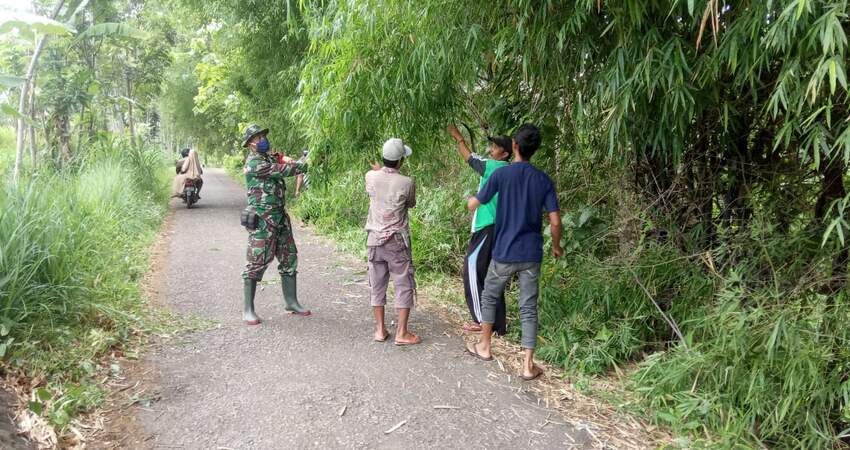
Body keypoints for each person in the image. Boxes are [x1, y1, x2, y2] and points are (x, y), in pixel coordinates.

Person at [465, 124, 563, 381]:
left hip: (504, 251)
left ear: (515, 147)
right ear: (534, 150)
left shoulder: (501, 175)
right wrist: (555, 246)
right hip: (531, 255)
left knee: (489, 296)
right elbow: (554, 221)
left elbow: (474, 203)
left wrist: (471, 201)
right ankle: (528, 365)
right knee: (528, 307)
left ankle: (485, 347)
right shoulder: (543, 180)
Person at [240, 124, 311, 325]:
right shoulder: (255, 163)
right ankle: (248, 309)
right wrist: (306, 163)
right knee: (256, 262)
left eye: (263, 135)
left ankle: (291, 302)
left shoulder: (267, 158)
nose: (263, 139)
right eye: (258, 137)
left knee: (289, 258)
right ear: (250, 145)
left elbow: (279, 158)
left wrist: (283, 156)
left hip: (280, 217)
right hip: (263, 219)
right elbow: (285, 169)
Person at [447, 124, 512, 335]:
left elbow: (470, 158)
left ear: (505, 153)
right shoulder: (511, 171)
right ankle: (498, 325)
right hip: (501, 229)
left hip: (487, 227)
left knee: (472, 270)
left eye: (494, 147)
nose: (491, 150)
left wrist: (458, 137)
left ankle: (480, 320)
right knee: (492, 275)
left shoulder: (495, 167)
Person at [365, 138, 420, 345]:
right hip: (397, 242)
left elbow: (376, 186)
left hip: (374, 241)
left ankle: (380, 330)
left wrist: (380, 172)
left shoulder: (370, 176)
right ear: (400, 161)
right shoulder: (407, 182)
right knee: (403, 283)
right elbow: (411, 203)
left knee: (377, 284)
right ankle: (402, 333)